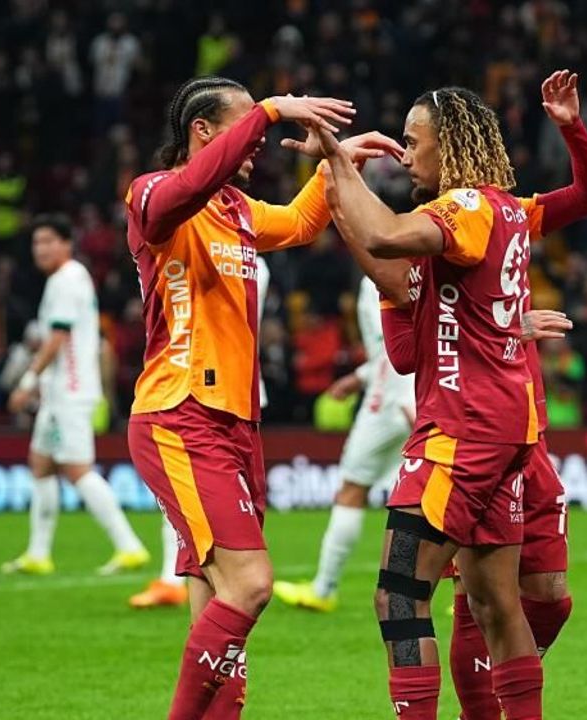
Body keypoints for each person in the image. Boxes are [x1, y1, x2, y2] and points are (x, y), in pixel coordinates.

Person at [310, 69, 587, 720]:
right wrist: (337, 192)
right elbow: (405, 342)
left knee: (399, 594)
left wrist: (337, 162)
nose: (404, 154)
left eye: (413, 141)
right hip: (500, 428)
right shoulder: (500, 213)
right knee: (494, 604)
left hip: (461, 430)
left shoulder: (465, 208)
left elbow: (386, 237)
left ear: (448, 145)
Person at [122, 75, 396, 719]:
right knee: (250, 585)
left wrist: (335, 165)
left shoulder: (236, 211)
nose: (260, 140)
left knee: (219, 599)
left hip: (237, 424)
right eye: (246, 125)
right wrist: (271, 109)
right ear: (202, 131)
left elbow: (299, 223)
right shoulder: (152, 194)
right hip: (180, 412)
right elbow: (183, 189)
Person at [1, 215, 148, 576]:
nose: (41, 249)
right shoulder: (67, 278)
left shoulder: (66, 280)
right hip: (59, 393)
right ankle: (38, 554)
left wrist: (27, 382)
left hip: (71, 391)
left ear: (66, 244)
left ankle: (129, 546)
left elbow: (57, 338)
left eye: (48, 241)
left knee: (77, 469)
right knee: (41, 463)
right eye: (37, 242)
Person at [130, 256, 271, 610]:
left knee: (226, 547)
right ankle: (172, 581)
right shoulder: (216, 252)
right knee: (196, 514)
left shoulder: (230, 255)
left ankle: (175, 583)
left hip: (218, 396)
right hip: (216, 394)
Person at [270, 275, 416, 612]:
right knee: (441, 492)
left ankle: (323, 589)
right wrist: (359, 378)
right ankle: (466, 597)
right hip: (424, 393)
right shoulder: (419, 267)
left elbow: (393, 351)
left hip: (391, 402)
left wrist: (398, 399)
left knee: (352, 488)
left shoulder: (376, 278)